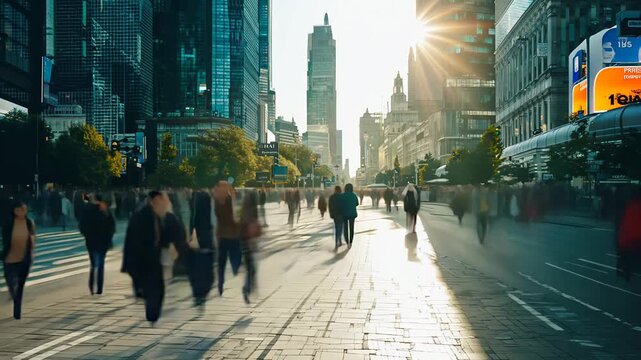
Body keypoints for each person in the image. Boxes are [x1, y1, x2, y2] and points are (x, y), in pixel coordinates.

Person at [122, 191, 189, 322]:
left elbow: (178, 233)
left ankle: (152, 310)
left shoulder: (166, 217)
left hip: (156, 259)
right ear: (154, 201)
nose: (165, 203)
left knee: (158, 289)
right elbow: (131, 242)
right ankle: (150, 310)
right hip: (143, 259)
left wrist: (180, 248)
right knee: (151, 287)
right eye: (162, 200)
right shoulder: (140, 217)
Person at [2, 201, 35, 319]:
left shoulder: (29, 222)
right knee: (11, 282)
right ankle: (13, 293)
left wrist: (31, 253)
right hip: (10, 257)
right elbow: (5, 240)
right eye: (18, 210)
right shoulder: (9, 223)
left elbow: (32, 239)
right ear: (14, 211)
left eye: (23, 210)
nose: (21, 212)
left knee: (20, 285)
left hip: (24, 259)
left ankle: (17, 313)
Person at [80, 194, 115, 295]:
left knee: (93, 264)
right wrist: (109, 238)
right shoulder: (105, 211)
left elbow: (82, 226)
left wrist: (86, 234)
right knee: (101, 264)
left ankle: (91, 286)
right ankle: (99, 288)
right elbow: (111, 226)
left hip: (91, 241)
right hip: (103, 241)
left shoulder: (87, 211)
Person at [213, 181, 242, 296]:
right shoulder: (231, 200)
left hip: (222, 236)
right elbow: (236, 217)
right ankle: (236, 270)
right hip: (232, 235)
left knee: (221, 262)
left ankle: (220, 283)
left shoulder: (216, 201)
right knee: (235, 258)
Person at [188, 190, 215, 306]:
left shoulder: (196, 209)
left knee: (201, 263)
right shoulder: (211, 207)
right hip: (208, 236)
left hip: (201, 237)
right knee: (209, 264)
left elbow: (193, 221)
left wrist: (190, 234)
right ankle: (204, 291)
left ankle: (199, 293)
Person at [240, 191, 261, 303]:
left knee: (250, 268)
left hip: (244, 243)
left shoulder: (243, 211)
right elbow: (255, 229)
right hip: (250, 243)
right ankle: (248, 289)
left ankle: (250, 288)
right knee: (251, 269)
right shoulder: (253, 212)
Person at [617, 191, 641, 282]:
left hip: (629, 238)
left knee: (626, 253)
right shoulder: (631, 207)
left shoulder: (630, 207)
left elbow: (625, 223)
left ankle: (626, 270)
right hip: (635, 237)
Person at [340, 184, 359, 249]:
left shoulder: (342, 195)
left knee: (345, 228)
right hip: (352, 214)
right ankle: (350, 242)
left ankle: (347, 241)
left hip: (344, 214)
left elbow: (340, 204)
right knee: (351, 228)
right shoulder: (354, 195)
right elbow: (357, 203)